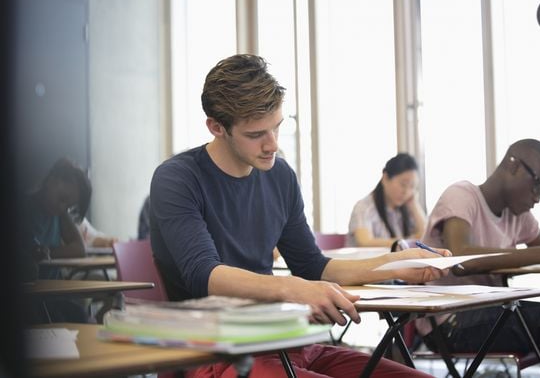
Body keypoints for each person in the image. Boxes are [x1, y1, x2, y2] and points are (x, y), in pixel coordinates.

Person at [150, 54, 450, 378]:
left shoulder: (279, 176)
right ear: (216, 127)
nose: (273, 145)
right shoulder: (178, 178)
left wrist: (395, 265)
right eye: (256, 134)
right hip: (217, 353)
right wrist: (292, 288)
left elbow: (313, 266)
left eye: (277, 127)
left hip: (285, 342)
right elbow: (204, 275)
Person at [415, 139, 540, 378]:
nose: (537, 198)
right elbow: (459, 260)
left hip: (492, 312)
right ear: (513, 165)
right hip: (448, 321)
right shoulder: (462, 195)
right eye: (537, 185)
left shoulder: (518, 215)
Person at [22, 157, 92, 323]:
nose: (63, 208)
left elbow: (79, 249)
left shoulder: (59, 215)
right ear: (50, 181)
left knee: (81, 316)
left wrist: (48, 251)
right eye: (62, 199)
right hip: (31, 297)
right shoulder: (25, 208)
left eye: (68, 206)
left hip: (53, 292)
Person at [346, 153, 426, 249]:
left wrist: (414, 205)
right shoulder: (364, 207)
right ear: (385, 178)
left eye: (412, 187)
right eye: (403, 184)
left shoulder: (406, 207)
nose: (407, 192)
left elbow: (425, 236)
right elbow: (364, 242)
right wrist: (405, 241)